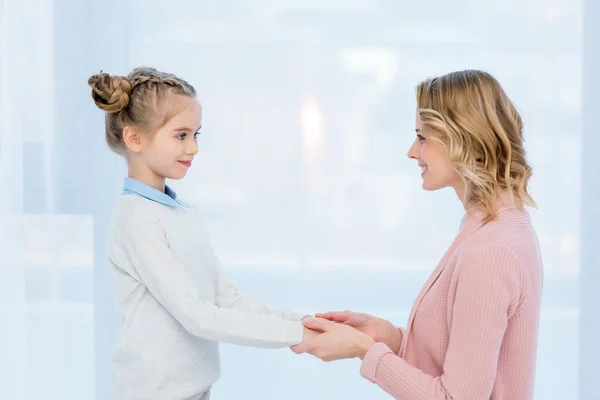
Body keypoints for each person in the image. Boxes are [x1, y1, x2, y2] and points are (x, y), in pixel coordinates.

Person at [292, 69, 543, 400]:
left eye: (422, 137)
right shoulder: (494, 228)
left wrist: (364, 350)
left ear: (461, 138)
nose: (413, 151)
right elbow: (460, 362)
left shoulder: (490, 251)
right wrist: (390, 339)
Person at [88, 67, 316, 400]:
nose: (193, 148)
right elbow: (197, 316)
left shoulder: (181, 213)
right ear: (135, 138)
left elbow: (227, 299)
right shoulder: (136, 221)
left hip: (195, 389)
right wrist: (298, 334)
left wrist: (307, 323)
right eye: (181, 135)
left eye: (196, 135)